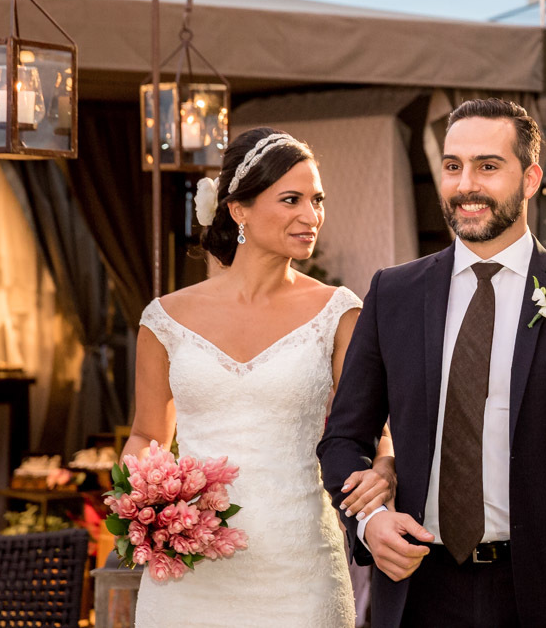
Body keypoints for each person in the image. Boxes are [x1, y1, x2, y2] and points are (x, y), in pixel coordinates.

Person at [318, 98, 546, 628]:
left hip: (545, 596)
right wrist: (371, 522)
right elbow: (342, 441)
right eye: (453, 166)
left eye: (487, 166)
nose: (465, 184)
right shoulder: (394, 293)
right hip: (416, 591)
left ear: (530, 178)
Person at [125, 127, 395, 627]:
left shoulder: (340, 313)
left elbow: (374, 432)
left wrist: (384, 471)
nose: (310, 216)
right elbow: (147, 434)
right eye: (291, 199)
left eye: (317, 200)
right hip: (189, 573)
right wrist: (147, 502)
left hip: (300, 571)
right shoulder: (164, 319)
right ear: (238, 210)